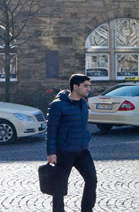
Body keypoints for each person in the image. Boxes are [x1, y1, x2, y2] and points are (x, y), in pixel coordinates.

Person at [47, 74, 96, 212]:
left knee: (92, 179)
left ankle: (87, 209)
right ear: (75, 86)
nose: (88, 89)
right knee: (59, 186)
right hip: (64, 152)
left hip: (82, 151)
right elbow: (51, 130)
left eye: (89, 86)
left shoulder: (83, 104)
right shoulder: (58, 105)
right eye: (85, 86)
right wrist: (51, 153)